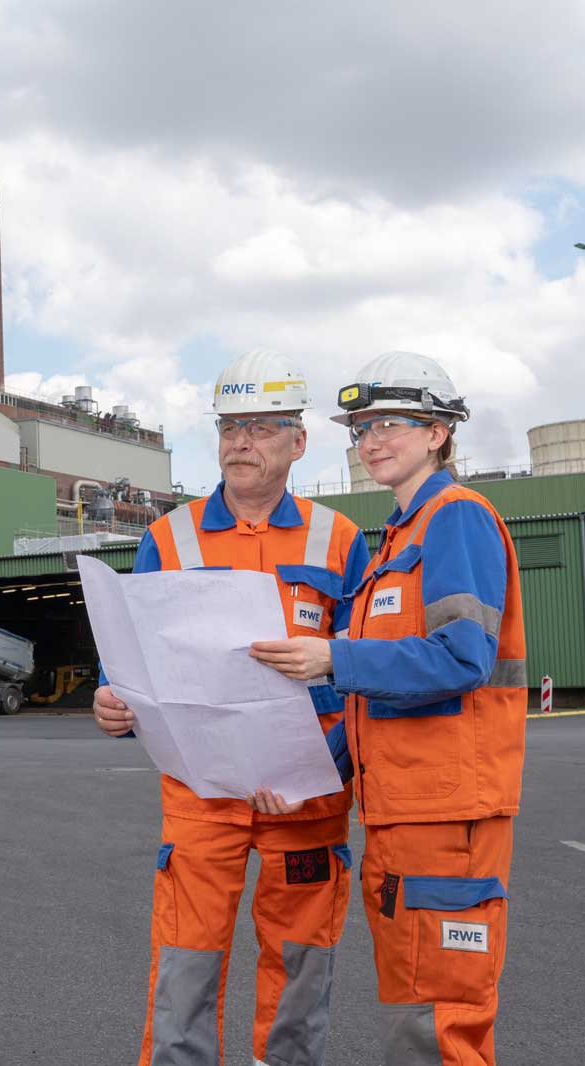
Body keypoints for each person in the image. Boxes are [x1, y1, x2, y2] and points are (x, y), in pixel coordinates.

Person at [250, 351, 527, 1066]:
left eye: (392, 424)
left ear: (438, 432)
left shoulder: (455, 519)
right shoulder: (395, 542)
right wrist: (313, 773)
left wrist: (334, 658)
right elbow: (381, 702)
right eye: (361, 428)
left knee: (443, 1012)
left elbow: (463, 658)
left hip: (447, 812)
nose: (372, 441)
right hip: (405, 811)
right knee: (416, 996)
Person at [94, 350, 370, 1066]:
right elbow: (131, 650)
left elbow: (365, 662)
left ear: (297, 442)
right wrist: (111, 697)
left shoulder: (339, 541)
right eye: (228, 426)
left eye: (260, 427)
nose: (240, 442)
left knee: (301, 964)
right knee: (185, 960)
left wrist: (325, 768)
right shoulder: (168, 537)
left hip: (306, 794)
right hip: (202, 790)